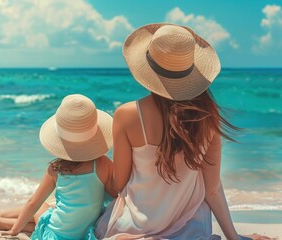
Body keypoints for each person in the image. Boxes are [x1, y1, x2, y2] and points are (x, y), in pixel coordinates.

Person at [94, 23, 249, 240]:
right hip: (191, 232)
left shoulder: (127, 115)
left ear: (148, 70)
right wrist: (233, 236)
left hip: (134, 228)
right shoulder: (206, 118)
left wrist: (94, 166)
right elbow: (212, 190)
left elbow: (119, 184)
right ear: (192, 72)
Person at [0, 94, 116, 239]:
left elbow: (33, 203)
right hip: (82, 235)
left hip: (52, 234)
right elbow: (115, 194)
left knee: (43, 207)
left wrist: (14, 232)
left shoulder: (55, 169)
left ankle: (0, 218)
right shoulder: (103, 164)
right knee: (49, 214)